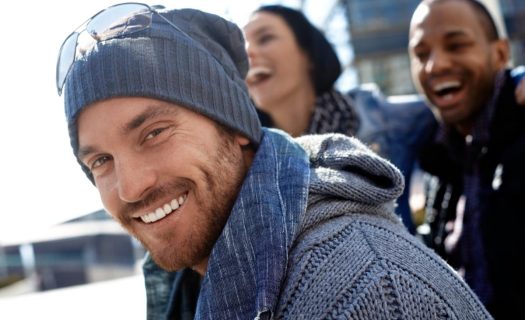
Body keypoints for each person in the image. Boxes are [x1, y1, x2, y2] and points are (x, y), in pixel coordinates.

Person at [56, 3, 492, 319]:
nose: (130, 187)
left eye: (154, 133)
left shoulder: (363, 292)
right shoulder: (188, 285)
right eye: (100, 161)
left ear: (236, 125)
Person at [243, 5, 435, 235]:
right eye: (241, 47)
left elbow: (448, 109)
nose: (248, 52)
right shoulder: (250, 157)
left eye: (265, 38)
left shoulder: (379, 117)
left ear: (309, 54)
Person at [408, 0, 525, 317]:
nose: (434, 66)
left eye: (456, 45)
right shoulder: (436, 158)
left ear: (500, 54)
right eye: (421, 55)